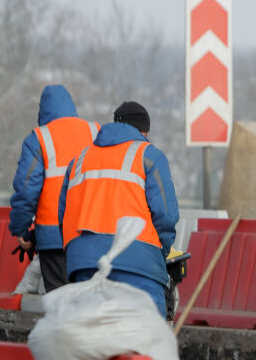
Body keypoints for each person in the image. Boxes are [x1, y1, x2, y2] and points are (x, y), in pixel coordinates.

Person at [58, 101, 180, 315]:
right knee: (143, 338)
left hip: (84, 263)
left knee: (91, 339)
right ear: (144, 131)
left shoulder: (80, 159)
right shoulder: (149, 155)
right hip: (138, 262)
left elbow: (63, 213)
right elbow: (166, 216)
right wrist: (159, 253)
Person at [8, 85, 100, 293]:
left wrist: (21, 229)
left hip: (54, 238)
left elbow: (26, 190)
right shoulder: (95, 132)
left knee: (61, 304)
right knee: (88, 303)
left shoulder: (39, 139)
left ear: (42, 112)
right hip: (92, 234)